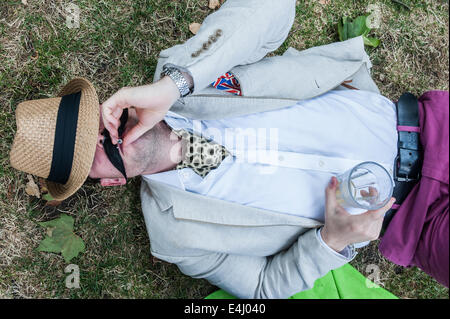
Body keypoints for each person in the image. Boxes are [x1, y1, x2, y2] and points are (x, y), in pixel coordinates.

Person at [9, 0, 447, 298]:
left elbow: (275, 7)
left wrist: (175, 84)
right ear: (110, 181)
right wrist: (331, 243)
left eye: (97, 124)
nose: (106, 136)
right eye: (91, 152)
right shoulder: (175, 237)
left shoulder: (180, 75)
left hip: (427, 127)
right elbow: (261, 290)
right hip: (415, 220)